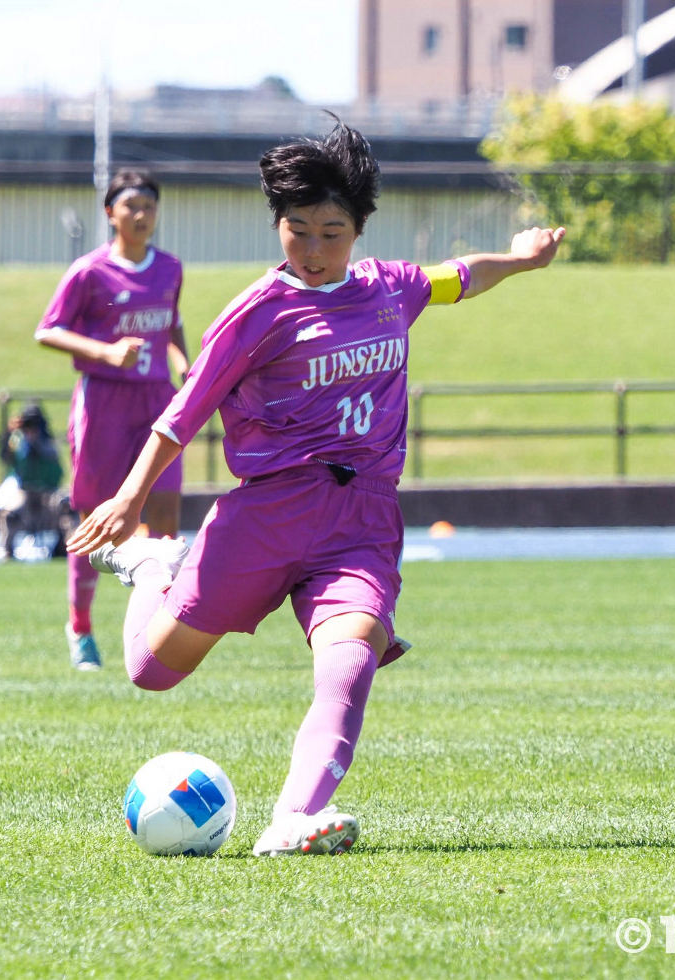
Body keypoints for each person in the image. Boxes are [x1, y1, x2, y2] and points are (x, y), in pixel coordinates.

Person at [68, 119, 564, 856]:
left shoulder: (392, 288)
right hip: (269, 513)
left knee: (354, 649)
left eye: (331, 232)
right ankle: (153, 568)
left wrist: (522, 262)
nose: (312, 249)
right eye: (296, 231)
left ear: (358, 229)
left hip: (361, 516)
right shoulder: (258, 312)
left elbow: (464, 274)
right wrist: (131, 503)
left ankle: (292, 818)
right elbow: (183, 412)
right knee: (151, 673)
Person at [35, 170, 189, 671]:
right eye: (131, 206)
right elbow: (48, 331)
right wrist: (104, 351)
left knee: (164, 517)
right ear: (111, 213)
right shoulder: (89, 271)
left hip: (157, 404)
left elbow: (172, 320)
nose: (141, 215)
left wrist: (182, 359)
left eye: (149, 205)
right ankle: (80, 627)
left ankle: (156, 631)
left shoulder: (169, 269)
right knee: (97, 522)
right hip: (103, 404)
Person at [0, 402, 64, 560]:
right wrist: (8, 434)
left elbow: (51, 456)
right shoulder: (17, 440)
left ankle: (63, 548)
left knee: (66, 508)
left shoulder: (48, 440)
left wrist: (36, 441)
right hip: (24, 490)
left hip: (48, 490)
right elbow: (4, 458)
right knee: (9, 513)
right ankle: (7, 551)